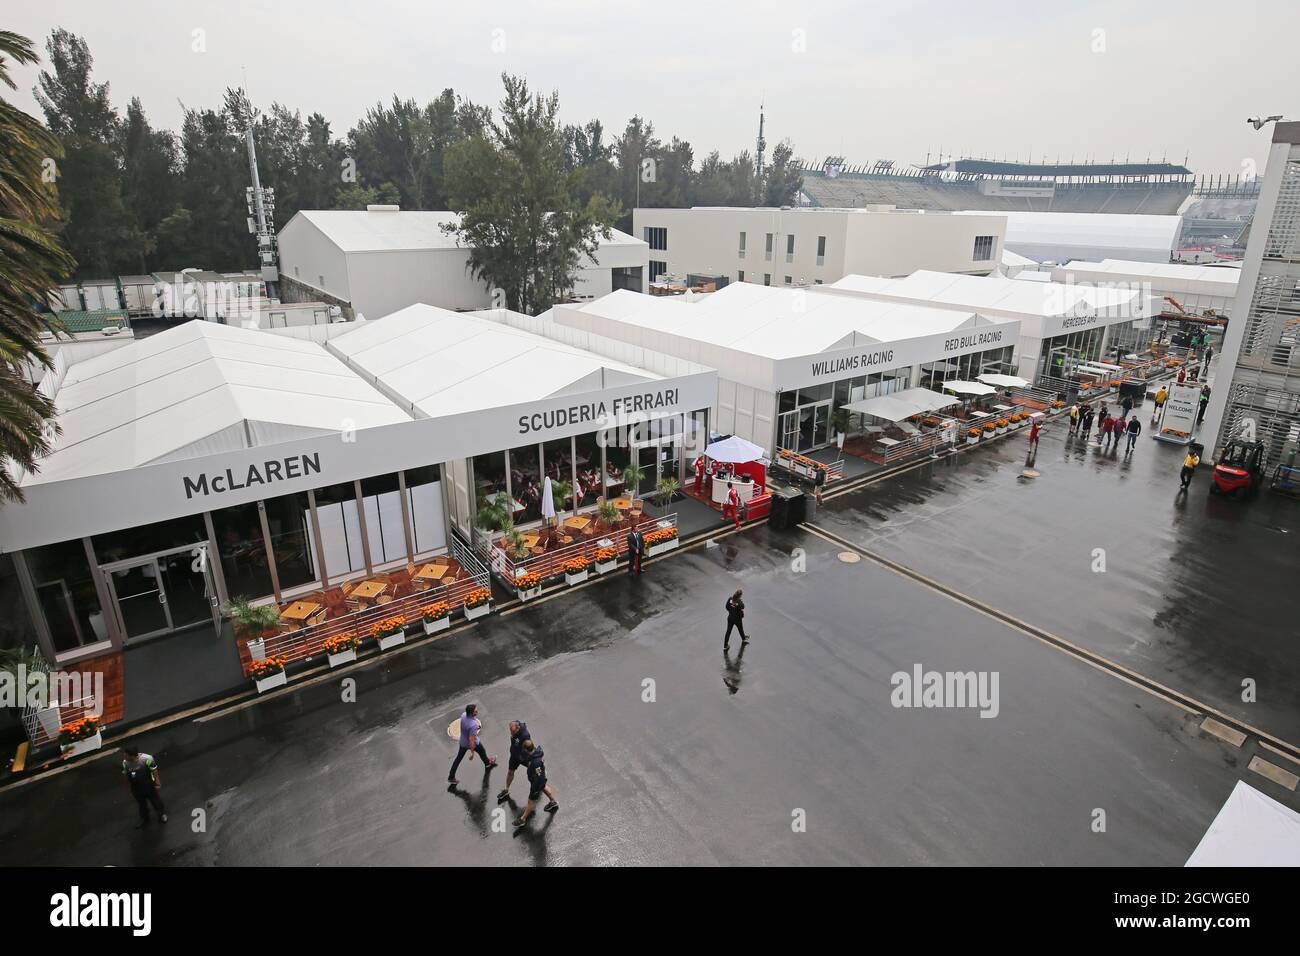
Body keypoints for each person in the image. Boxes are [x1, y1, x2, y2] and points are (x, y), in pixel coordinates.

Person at [512, 739, 558, 828]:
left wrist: (535, 788)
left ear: (526, 749)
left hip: (537, 783)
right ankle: (553, 802)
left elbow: (539, 776)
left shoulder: (536, 762)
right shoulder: (535, 752)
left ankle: (523, 819)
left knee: (531, 801)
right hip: (540, 779)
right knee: (544, 787)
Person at [448, 703, 497, 785]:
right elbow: (471, 740)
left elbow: (467, 725)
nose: (477, 711)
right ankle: (488, 763)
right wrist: (472, 752)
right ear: (471, 713)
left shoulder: (463, 715)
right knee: (482, 751)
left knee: (458, 759)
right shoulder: (473, 725)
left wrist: (475, 726)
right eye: (475, 711)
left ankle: (451, 777)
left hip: (462, 742)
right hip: (472, 743)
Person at [123, 747, 167, 828]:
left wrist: (157, 782)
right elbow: (126, 773)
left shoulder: (147, 759)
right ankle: (144, 819)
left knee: (156, 801)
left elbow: (154, 770)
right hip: (136, 788)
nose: (124, 757)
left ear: (132, 756)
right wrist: (129, 787)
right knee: (141, 805)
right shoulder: (125, 762)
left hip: (148, 785)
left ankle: (162, 815)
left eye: (126, 756)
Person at [497, 719, 533, 804]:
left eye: (513, 732)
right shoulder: (515, 726)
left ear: (518, 728)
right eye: (510, 731)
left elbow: (529, 747)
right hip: (514, 756)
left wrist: (528, 757)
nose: (511, 733)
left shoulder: (525, 735)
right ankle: (506, 789)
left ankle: (538, 784)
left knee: (533, 771)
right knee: (510, 772)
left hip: (523, 757)